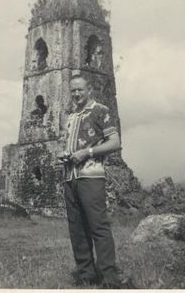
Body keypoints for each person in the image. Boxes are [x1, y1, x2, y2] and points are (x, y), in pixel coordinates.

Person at [57, 74, 121, 288]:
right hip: (69, 178)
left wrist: (88, 152)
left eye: (80, 90)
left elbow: (115, 142)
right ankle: (86, 276)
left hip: (91, 177)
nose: (76, 94)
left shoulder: (100, 111)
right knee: (77, 229)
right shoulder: (70, 116)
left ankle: (109, 279)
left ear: (89, 89)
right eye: (73, 90)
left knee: (98, 227)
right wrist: (66, 154)